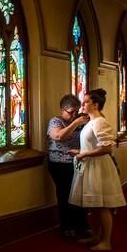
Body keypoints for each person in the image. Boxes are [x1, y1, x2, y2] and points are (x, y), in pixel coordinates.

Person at [68, 88, 126, 251]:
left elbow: (107, 148)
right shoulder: (91, 122)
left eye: (86, 102)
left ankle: (106, 242)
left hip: (98, 167)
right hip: (90, 164)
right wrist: (79, 152)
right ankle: (96, 236)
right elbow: (93, 145)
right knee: (93, 204)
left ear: (95, 104)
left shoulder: (100, 122)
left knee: (101, 206)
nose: (83, 104)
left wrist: (84, 153)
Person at [47, 94, 90, 239]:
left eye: (76, 112)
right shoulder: (56, 121)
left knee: (81, 195)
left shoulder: (80, 120)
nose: (74, 115)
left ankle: (82, 225)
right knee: (65, 195)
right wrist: (75, 123)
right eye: (71, 112)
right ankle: (66, 226)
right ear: (62, 110)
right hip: (60, 164)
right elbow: (59, 136)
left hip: (79, 161)